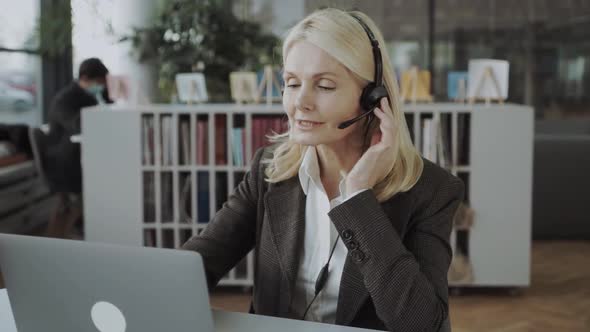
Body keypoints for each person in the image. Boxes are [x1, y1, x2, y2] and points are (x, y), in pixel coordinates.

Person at [182, 8, 463, 332]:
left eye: (325, 86)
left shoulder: (431, 190)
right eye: (291, 83)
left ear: (374, 97)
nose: (300, 102)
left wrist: (358, 197)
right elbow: (200, 263)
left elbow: (423, 325)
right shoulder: (269, 169)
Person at [42, 58, 112, 238]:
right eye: (99, 83)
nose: (101, 87)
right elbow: (79, 124)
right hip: (64, 162)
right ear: (85, 78)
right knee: (84, 199)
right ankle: (71, 233)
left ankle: (82, 229)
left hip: (81, 158)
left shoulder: (91, 97)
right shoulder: (64, 100)